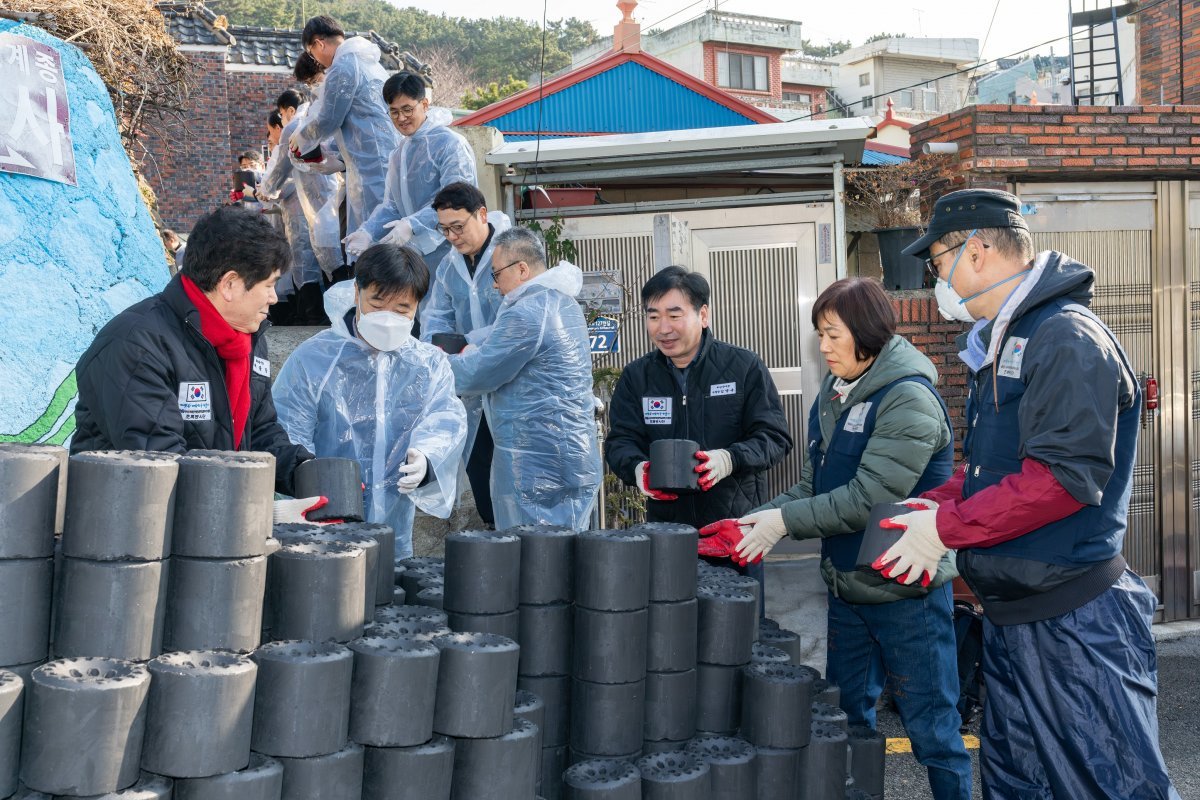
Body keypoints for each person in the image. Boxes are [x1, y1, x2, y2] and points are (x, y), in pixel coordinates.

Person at [879, 189, 1179, 799]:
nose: (938, 279)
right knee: (1021, 783)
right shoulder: (1007, 340)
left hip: (1074, 621)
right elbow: (998, 470)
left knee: (1106, 784)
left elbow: (1060, 481)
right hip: (1018, 617)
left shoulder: (1064, 338)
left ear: (979, 249)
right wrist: (937, 505)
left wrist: (945, 531)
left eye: (938, 261)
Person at [699, 277, 970, 799]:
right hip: (848, 587)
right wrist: (758, 519)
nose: (822, 347)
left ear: (866, 334)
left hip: (904, 593)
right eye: (819, 334)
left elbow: (868, 498)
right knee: (846, 722)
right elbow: (813, 486)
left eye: (831, 335)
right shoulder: (837, 391)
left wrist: (784, 525)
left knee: (933, 730)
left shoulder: (907, 399)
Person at [72, 205, 312, 496]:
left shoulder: (246, 339)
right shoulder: (135, 345)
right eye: (270, 285)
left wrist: (306, 472)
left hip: (209, 518)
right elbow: (161, 464)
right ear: (230, 284)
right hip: (126, 524)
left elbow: (259, 435)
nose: (274, 298)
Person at [273, 245, 467, 558]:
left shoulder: (428, 364)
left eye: (402, 309)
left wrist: (427, 457)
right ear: (356, 293)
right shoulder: (315, 360)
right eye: (377, 304)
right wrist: (310, 482)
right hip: (324, 521)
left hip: (394, 528)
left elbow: (445, 419)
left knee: (388, 592)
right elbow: (286, 427)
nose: (388, 319)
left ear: (418, 306)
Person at [604, 266, 792, 580]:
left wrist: (730, 459)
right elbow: (621, 440)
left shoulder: (743, 367)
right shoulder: (637, 377)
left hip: (735, 531)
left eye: (674, 315)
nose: (663, 328)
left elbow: (775, 437)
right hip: (667, 534)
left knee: (736, 623)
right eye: (653, 316)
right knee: (674, 623)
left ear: (703, 315)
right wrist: (637, 469)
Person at [447, 226, 601, 530]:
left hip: (536, 463)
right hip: (570, 453)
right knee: (570, 556)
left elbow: (478, 373)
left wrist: (437, 364)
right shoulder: (563, 302)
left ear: (521, 269)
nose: (494, 286)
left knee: (534, 559)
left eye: (496, 274)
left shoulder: (527, 311)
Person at [420, 182, 510, 525]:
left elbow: (519, 317)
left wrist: (471, 341)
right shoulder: (447, 267)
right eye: (444, 230)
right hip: (468, 386)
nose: (452, 237)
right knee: (480, 466)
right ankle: (494, 534)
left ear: (482, 214)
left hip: (510, 379)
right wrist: (437, 348)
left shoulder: (511, 250)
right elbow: (435, 318)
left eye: (458, 227)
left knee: (513, 471)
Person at [343, 71, 478, 278]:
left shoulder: (450, 144)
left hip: (454, 247)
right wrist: (368, 231)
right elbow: (392, 206)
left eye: (407, 109)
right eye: (394, 112)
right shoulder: (400, 153)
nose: (401, 118)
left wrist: (413, 224)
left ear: (424, 104)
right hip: (418, 255)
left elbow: (456, 200)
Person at [291, 15, 397, 240]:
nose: (316, 60)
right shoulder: (367, 61)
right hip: (383, 156)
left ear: (319, 43)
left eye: (312, 53)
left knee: (373, 233)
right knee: (386, 227)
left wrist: (300, 138)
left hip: (370, 165)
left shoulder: (343, 66)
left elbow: (328, 119)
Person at [264, 91, 336, 325]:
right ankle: (317, 313)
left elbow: (280, 176)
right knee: (323, 259)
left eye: (282, 114)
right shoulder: (318, 123)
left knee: (312, 260)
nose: (282, 120)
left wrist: (264, 190)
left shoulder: (296, 128)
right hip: (322, 203)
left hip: (310, 206)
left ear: (290, 111)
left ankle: (314, 314)